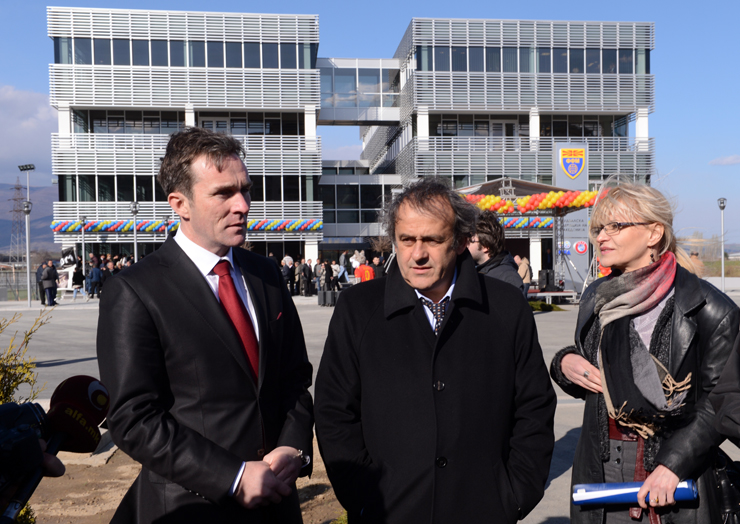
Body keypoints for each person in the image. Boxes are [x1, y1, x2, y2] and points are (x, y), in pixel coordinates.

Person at [96, 127, 314, 523]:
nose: (242, 205)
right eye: (223, 193)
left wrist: (293, 448)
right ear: (180, 203)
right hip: (189, 507)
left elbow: (295, 378)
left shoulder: (265, 274)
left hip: (277, 503)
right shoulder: (134, 290)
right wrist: (232, 477)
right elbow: (132, 418)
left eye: (245, 190)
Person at [315, 178, 556, 523]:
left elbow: (534, 407)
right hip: (386, 513)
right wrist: (362, 496)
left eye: (432, 240)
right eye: (406, 240)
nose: (418, 254)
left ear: (460, 241)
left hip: (483, 512)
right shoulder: (358, 309)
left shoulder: (505, 307)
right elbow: (334, 412)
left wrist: (514, 496)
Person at [549, 183, 739, 524]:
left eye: (615, 226)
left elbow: (721, 400)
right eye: (598, 228)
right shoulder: (596, 296)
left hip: (675, 478)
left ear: (654, 233)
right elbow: (600, 375)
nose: (601, 237)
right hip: (600, 474)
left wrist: (674, 464)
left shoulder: (710, 308)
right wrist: (564, 362)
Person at [468, 210, 525, 297]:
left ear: (486, 246)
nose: (466, 244)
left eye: (471, 240)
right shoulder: (476, 271)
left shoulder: (508, 278)